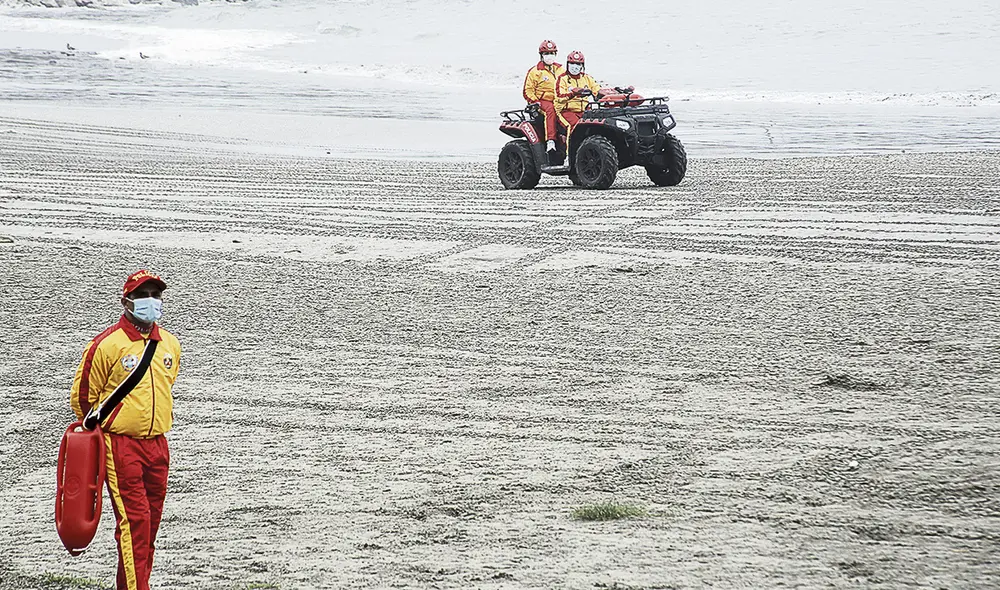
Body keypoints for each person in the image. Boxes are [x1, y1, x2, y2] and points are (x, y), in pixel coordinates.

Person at [70, 270, 181, 590]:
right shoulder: (106, 345)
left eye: (156, 295)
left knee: (150, 526)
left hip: (158, 444)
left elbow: (167, 386)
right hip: (120, 445)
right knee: (135, 523)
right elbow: (83, 401)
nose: (151, 301)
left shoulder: (170, 344)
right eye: (143, 294)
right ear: (126, 300)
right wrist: (112, 427)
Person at [523, 39, 565, 164]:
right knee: (550, 110)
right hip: (542, 101)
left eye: (552, 53)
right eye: (547, 53)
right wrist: (535, 102)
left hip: (560, 100)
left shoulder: (560, 69)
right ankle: (550, 141)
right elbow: (527, 91)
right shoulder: (535, 71)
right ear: (541, 55)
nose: (549, 56)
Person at [555, 50, 602, 151]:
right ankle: (569, 155)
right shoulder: (562, 79)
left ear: (582, 66)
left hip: (584, 110)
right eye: (572, 63)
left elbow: (597, 90)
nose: (574, 66)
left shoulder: (587, 78)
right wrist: (573, 94)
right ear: (567, 64)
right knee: (572, 126)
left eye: (578, 64)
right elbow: (559, 97)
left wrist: (608, 94)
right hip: (566, 110)